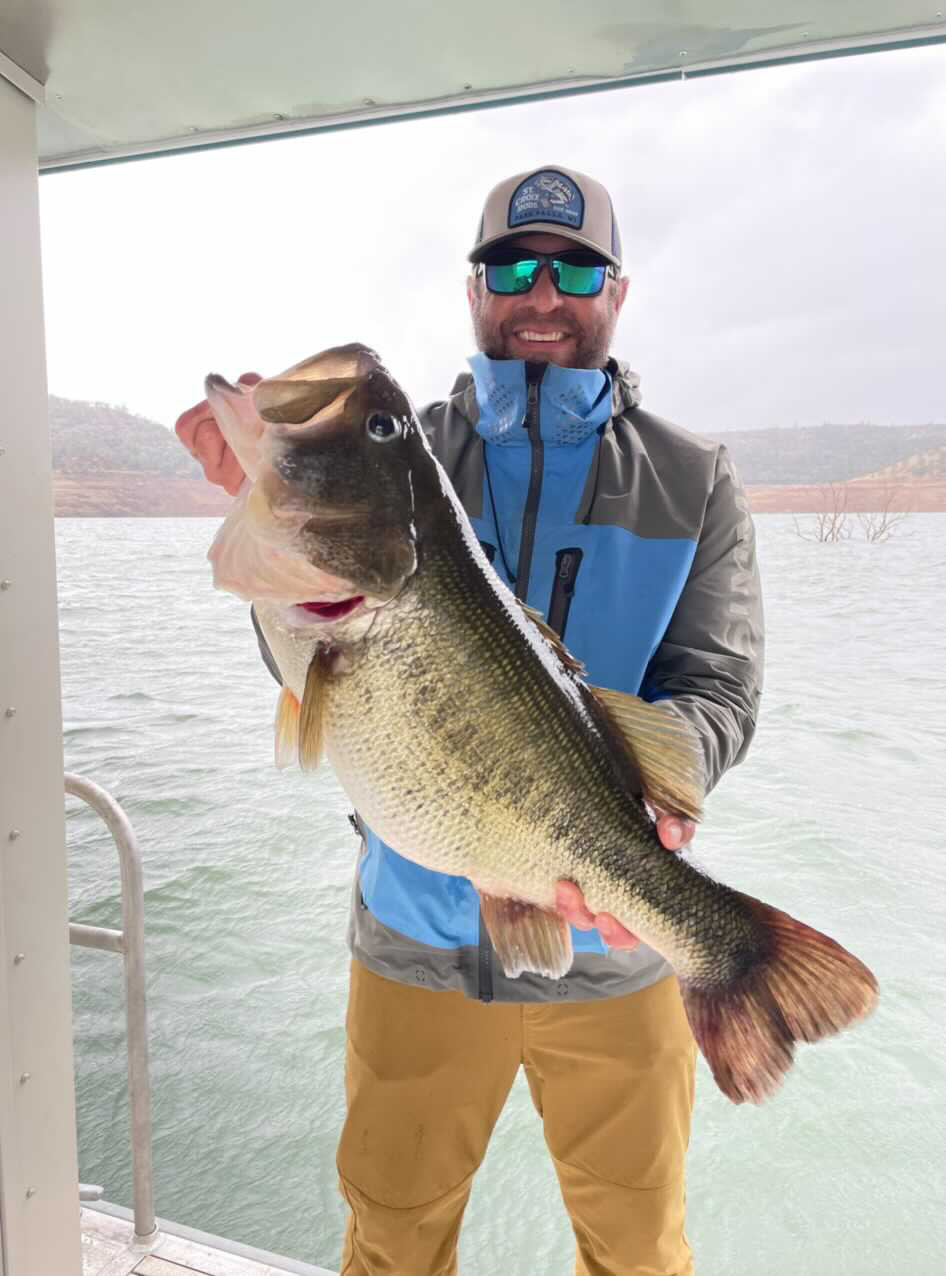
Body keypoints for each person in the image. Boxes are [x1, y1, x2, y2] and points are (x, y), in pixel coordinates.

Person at [176, 165, 764, 1276]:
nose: (541, 293)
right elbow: (311, 672)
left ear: (617, 291)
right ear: (473, 289)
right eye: (512, 266)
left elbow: (717, 688)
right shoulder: (414, 457)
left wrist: (657, 783)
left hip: (616, 937)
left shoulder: (696, 480)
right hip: (412, 936)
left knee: (638, 1252)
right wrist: (265, 523)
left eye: (574, 267)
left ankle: (723, 949)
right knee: (391, 1239)